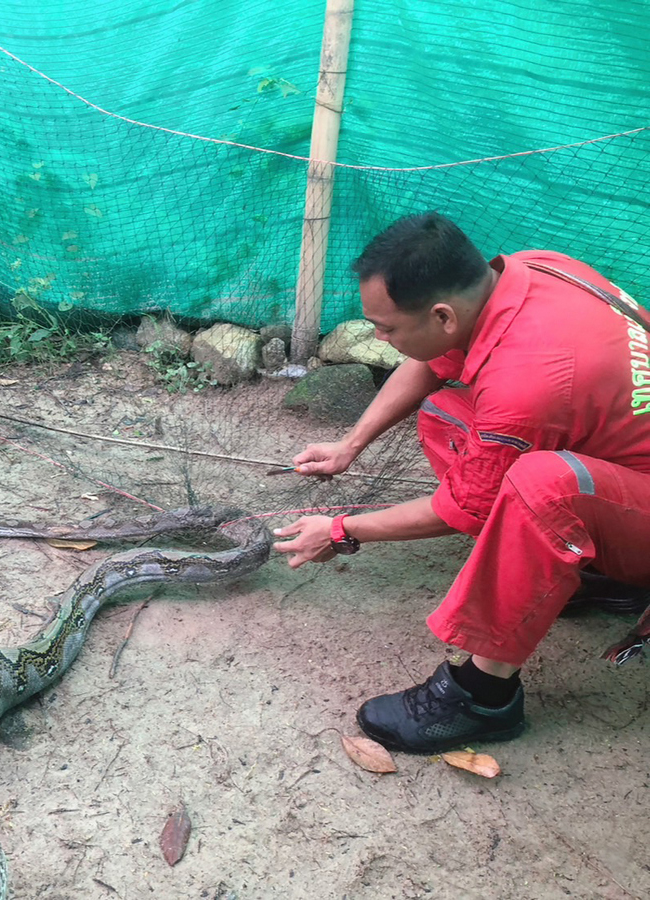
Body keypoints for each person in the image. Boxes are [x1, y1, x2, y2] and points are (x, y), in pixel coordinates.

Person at [272, 212, 650, 754]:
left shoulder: (526, 385)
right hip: (629, 478)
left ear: (443, 314)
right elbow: (432, 363)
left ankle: (482, 696)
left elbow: (463, 509)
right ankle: (600, 573)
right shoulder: (531, 273)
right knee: (448, 417)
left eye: (388, 328)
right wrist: (348, 446)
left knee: (543, 488)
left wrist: (340, 530)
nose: (380, 337)